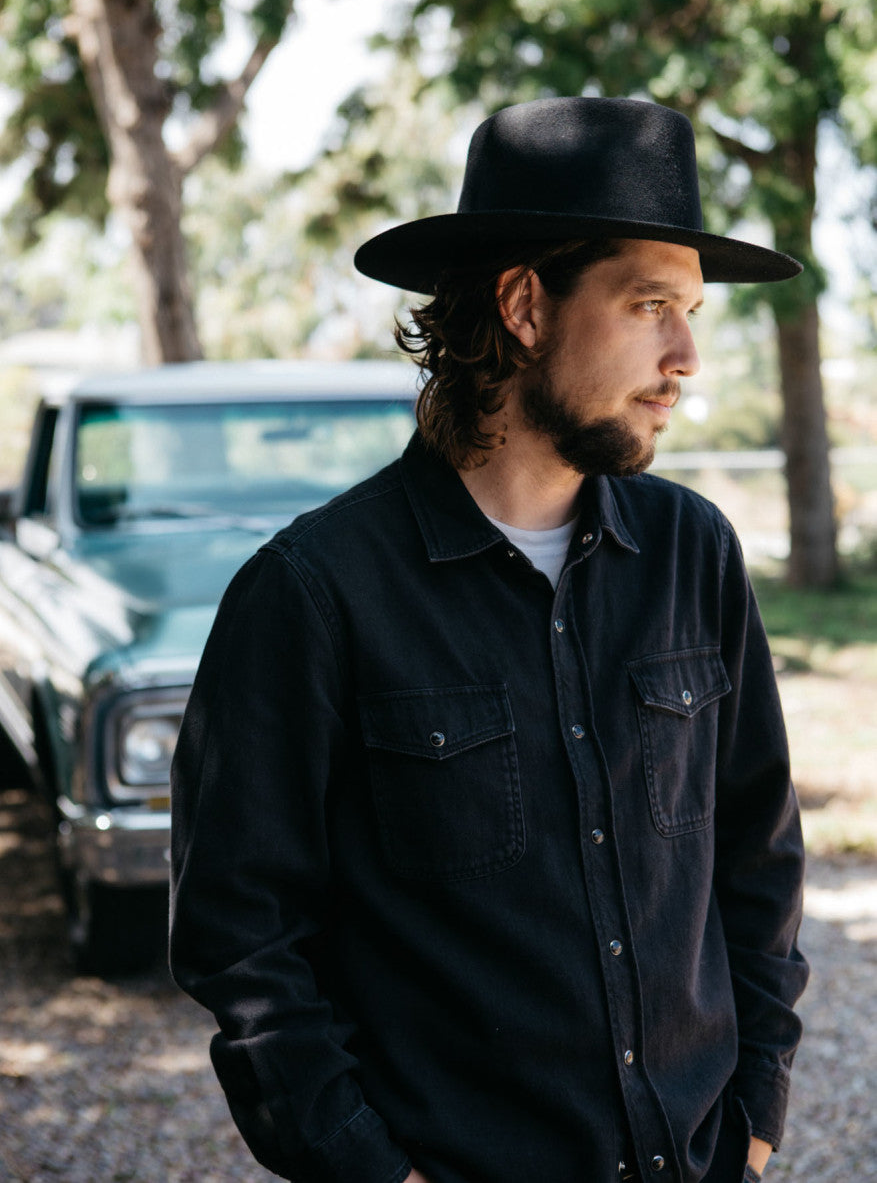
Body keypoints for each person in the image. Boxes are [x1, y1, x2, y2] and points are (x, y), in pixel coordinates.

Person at [170, 96, 809, 1183]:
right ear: (522, 304)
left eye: (689, 310)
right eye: (650, 303)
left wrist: (754, 1114)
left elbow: (757, 856)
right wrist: (372, 1169)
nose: (686, 355)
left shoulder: (693, 555)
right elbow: (243, 936)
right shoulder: (314, 594)